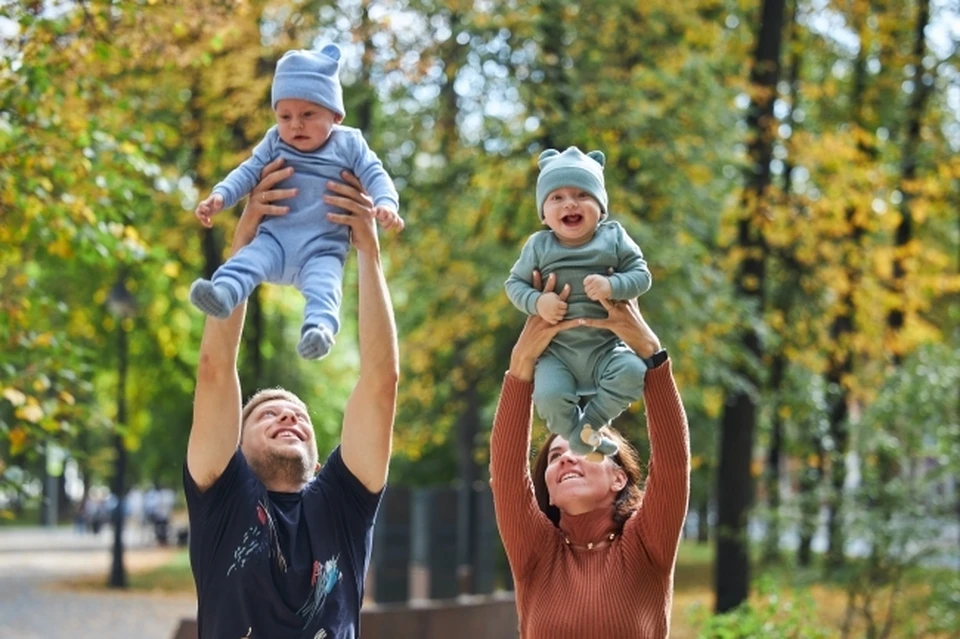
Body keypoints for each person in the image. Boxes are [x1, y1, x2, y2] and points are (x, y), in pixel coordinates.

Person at [183, 158, 399, 639]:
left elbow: (382, 383)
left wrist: (368, 252)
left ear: (319, 462)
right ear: (233, 448)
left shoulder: (343, 505)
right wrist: (244, 244)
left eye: (299, 415)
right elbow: (215, 372)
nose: (288, 414)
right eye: (267, 414)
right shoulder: (223, 497)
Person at [490, 271, 689, 638]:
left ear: (619, 477)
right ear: (547, 489)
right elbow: (505, 475)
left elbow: (673, 465)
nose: (565, 457)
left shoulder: (647, 543)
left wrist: (649, 352)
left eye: (584, 447)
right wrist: (521, 364)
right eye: (553, 457)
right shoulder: (535, 551)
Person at [190, 44, 403, 360]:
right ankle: (223, 295)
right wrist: (220, 196)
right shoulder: (274, 141)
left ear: (335, 114)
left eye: (308, 114)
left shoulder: (349, 144)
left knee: (325, 287)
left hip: (322, 248)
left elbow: (375, 174)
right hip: (273, 242)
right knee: (244, 264)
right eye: (284, 116)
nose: (295, 125)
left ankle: (318, 331)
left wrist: (386, 204)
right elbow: (247, 172)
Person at [505, 147, 652, 459]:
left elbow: (642, 276)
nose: (570, 203)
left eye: (582, 194)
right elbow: (514, 285)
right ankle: (579, 436)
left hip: (606, 349)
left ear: (601, 208)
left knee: (633, 372)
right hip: (557, 354)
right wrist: (538, 301)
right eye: (556, 197)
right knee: (547, 396)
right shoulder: (538, 246)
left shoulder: (613, 238)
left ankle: (593, 423)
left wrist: (613, 284)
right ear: (544, 214)